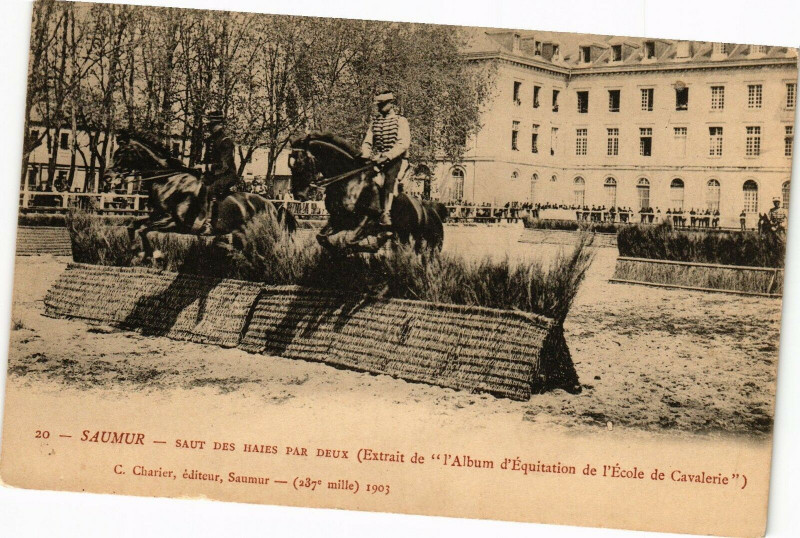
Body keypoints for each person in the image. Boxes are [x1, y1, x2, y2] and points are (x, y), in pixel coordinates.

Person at [361, 89, 410, 228]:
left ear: (391, 103)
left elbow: (403, 144)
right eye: (378, 105)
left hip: (397, 160)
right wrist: (366, 155)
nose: (379, 107)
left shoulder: (401, 121)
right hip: (379, 160)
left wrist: (387, 156)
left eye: (382, 104)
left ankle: (387, 213)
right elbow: (367, 142)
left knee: (389, 179)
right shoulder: (375, 122)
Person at [200, 110, 238, 235]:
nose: (210, 127)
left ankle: (209, 224)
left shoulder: (226, 141)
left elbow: (224, 165)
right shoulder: (210, 140)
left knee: (212, 189)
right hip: (214, 174)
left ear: (220, 125)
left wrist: (206, 168)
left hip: (227, 174)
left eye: (212, 125)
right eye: (210, 125)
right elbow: (207, 159)